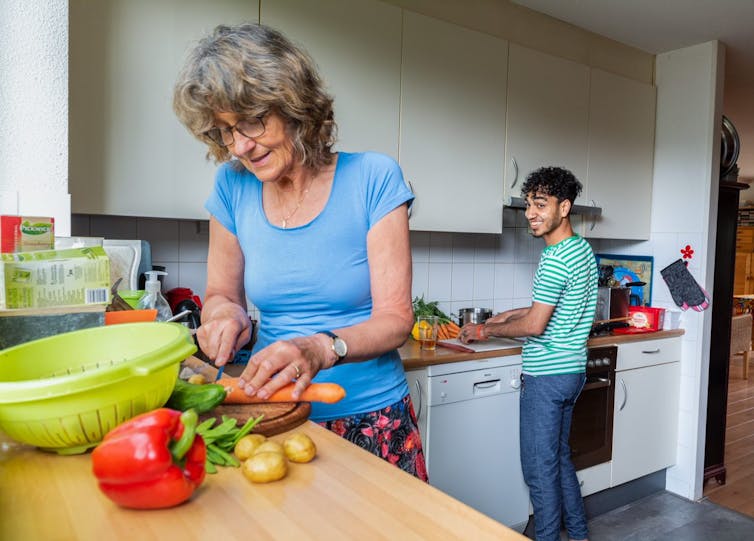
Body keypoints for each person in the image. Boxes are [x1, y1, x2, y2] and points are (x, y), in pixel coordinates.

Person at [172, 23, 426, 480]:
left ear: (293, 106)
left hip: (370, 416)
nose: (241, 146)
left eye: (252, 120)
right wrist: (223, 317)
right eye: (226, 131)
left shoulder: (374, 178)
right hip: (272, 414)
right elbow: (219, 294)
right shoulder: (232, 186)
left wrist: (320, 347)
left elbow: (396, 320)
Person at [459, 166, 597, 541]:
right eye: (527, 205)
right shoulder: (580, 250)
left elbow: (536, 325)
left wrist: (486, 329)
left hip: (547, 377)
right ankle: (580, 535)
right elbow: (554, 308)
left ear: (564, 207)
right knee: (559, 460)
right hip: (572, 373)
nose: (531, 213)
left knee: (539, 470)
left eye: (541, 204)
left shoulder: (553, 259)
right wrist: (509, 314)